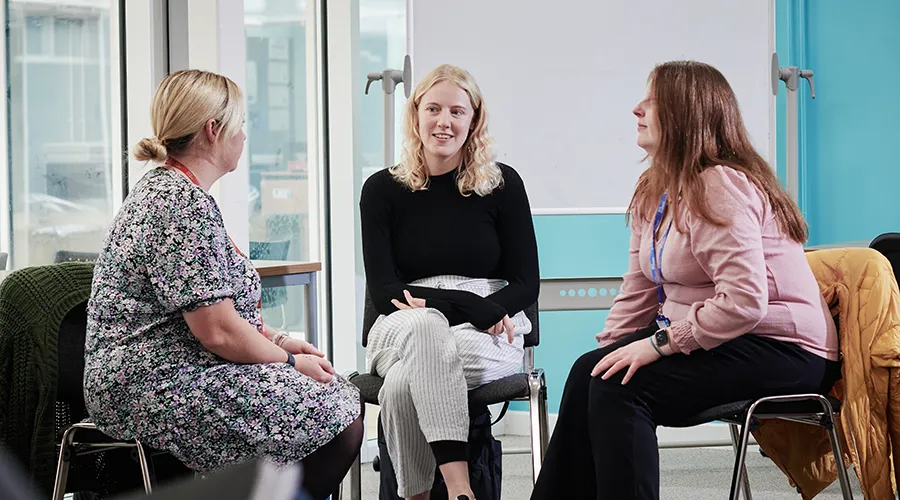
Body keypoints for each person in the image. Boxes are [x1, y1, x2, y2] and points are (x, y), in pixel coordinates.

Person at [530, 60, 841, 500]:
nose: (636, 109)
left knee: (621, 389)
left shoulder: (719, 184)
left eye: (651, 101)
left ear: (685, 113)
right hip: (730, 339)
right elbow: (638, 289)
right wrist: (612, 351)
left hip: (784, 347)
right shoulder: (654, 189)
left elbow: (746, 302)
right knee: (592, 372)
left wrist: (657, 344)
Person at [83, 69, 362, 500]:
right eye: (241, 123)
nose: (245, 136)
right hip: (152, 384)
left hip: (182, 368)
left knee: (336, 398)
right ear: (213, 131)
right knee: (334, 416)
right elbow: (216, 330)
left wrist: (282, 341)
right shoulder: (177, 204)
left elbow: (219, 311)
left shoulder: (176, 193)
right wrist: (287, 364)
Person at [359, 64, 539, 500]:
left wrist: (479, 309)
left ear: (474, 119)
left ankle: (414, 496)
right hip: (404, 320)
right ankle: (462, 490)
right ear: (415, 115)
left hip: (492, 325)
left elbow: (526, 284)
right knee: (425, 330)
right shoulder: (381, 190)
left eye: (457, 111)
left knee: (404, 381)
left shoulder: (503, 184)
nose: (444, 121)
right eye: (433, 109)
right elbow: (385, 292)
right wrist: (463, 303)